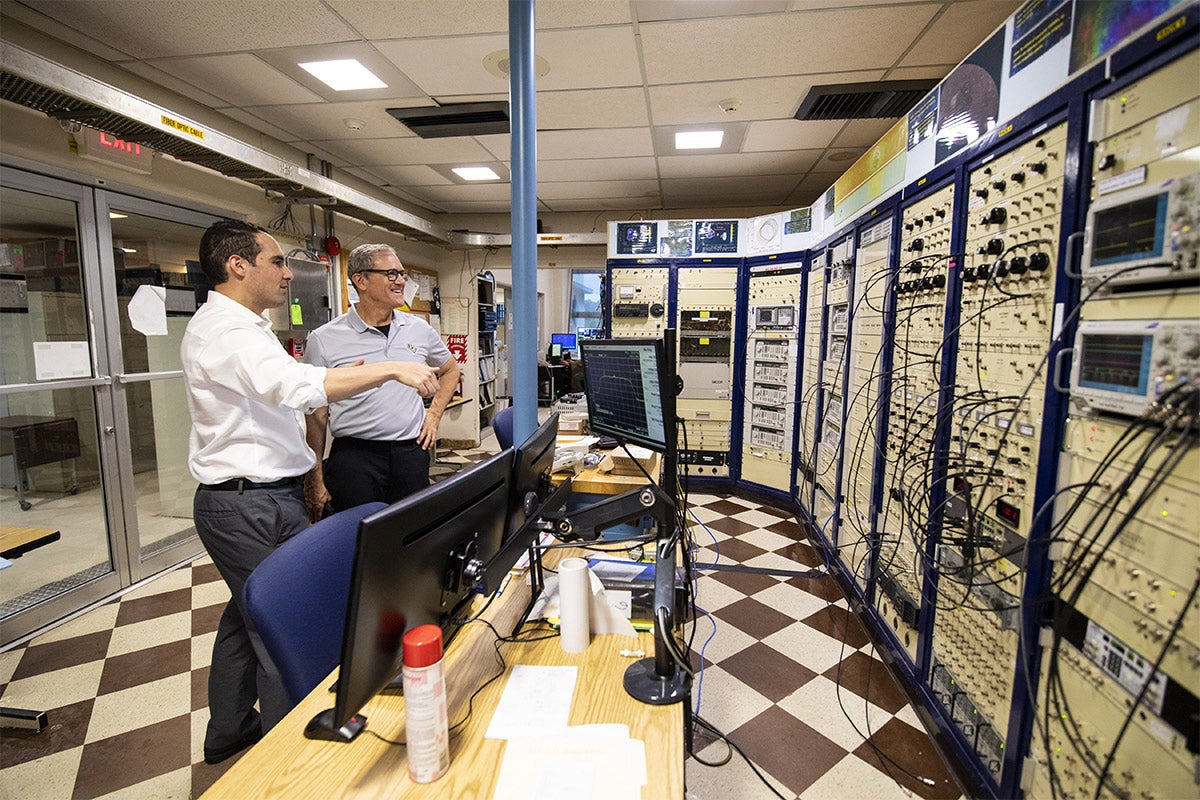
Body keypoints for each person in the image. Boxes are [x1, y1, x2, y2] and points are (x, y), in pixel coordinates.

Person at [182, 220, 439, 765]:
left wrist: (308, 474)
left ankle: (227, 729)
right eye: (276, 261)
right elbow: (300, 388)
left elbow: (292, 396)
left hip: (268, 495)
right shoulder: (226, 332)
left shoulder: (246, 327)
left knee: (246, 615)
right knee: (285, 626)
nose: (287, 271)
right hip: (246, 502)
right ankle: (290, 758)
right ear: (238, 266)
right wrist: (391, 369)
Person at [302, 244, 460, 520]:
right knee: (356, 539)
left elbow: (450, 370)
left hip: (411, 452)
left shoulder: (418, 329)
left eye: (401, 273)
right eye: (390, 273)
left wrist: (433, 415)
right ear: (360, 280)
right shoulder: (324, 338)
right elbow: (316, 412)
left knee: (412, 532)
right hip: (355, 458)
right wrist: (314, 474)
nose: (400, 280)